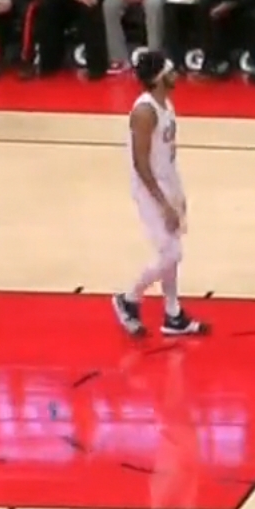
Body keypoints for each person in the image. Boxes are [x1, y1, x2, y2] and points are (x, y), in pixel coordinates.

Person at [109, 51, 208, 339]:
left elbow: (166, 153)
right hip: (149, 189)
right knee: (172, 252)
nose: (176, 75)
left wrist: (177, 192)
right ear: (158, 78)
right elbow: (140, 164)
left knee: (171, 253)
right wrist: (163, 203)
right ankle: (129, 298)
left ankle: (173, 314)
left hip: (168, 182)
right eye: (170, 71)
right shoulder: (144, 112)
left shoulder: (165, 103)